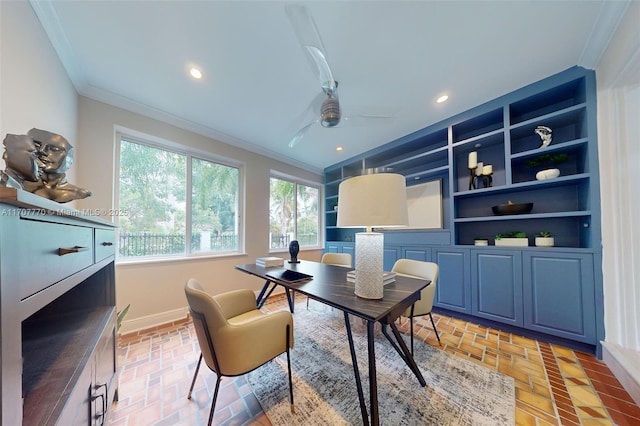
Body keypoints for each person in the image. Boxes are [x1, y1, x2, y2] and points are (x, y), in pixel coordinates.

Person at [24, 128, 91, 203]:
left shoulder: (76, 192)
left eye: (54, 149)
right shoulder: (17, 184)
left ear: (69, 159)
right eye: (36, 145)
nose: (42, 150)